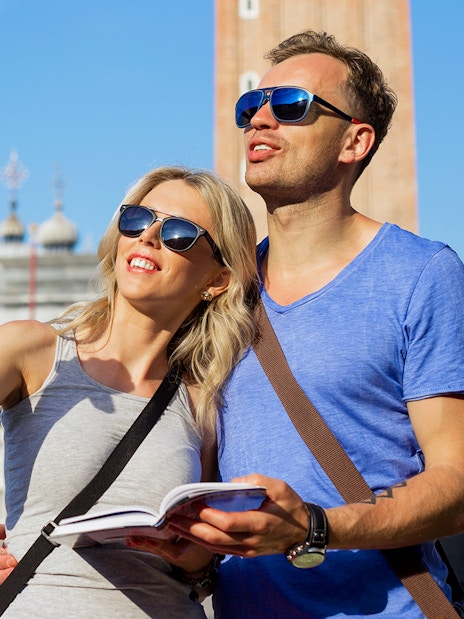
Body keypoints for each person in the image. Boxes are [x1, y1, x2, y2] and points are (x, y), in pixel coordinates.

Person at [167, 30, 464, 617]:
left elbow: (456, 479)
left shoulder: (423, 273)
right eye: (252, 105)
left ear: (355, 140)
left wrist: (316, 527)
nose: (260, 120)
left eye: (291, 107)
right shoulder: (221, 285)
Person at [0, 165, 258, 617]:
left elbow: (207, 571)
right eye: (138, 219)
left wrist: (197, 559)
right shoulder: (33, 349)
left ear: (217, 280)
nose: (149, 237)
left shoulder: (207, 400)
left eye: (180, 233)